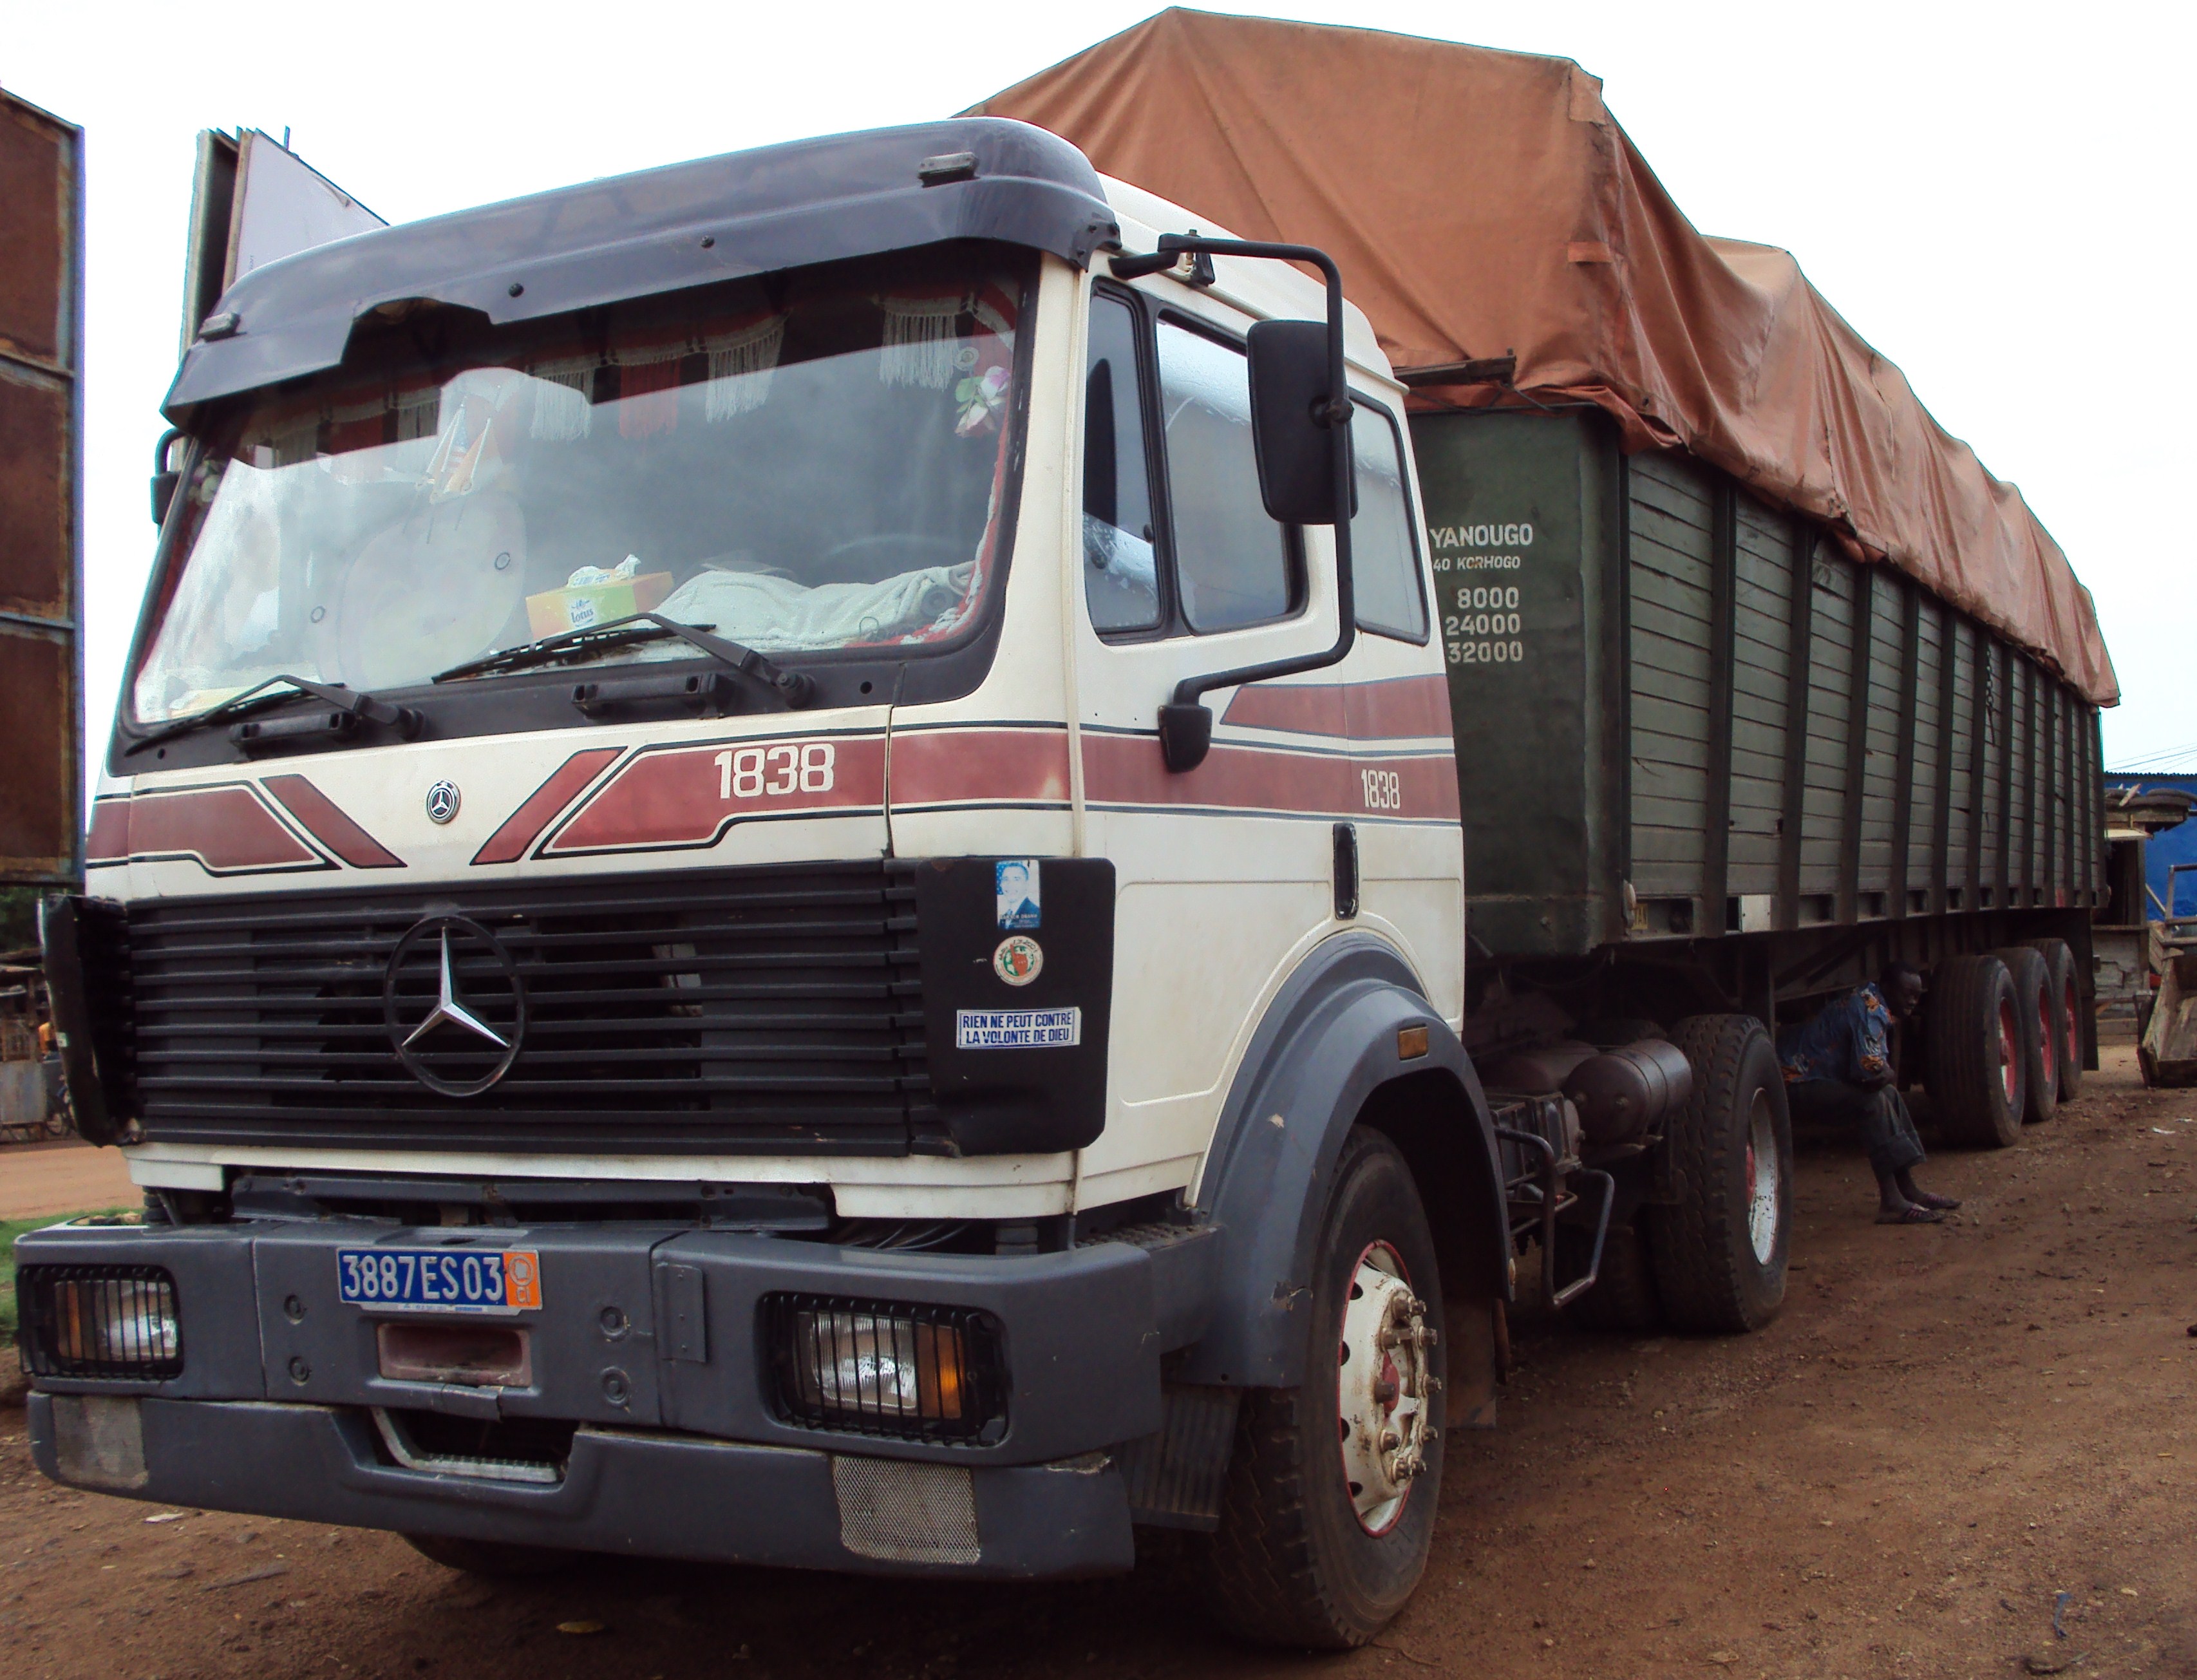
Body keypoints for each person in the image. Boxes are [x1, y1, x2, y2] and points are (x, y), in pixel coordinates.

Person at [1778, 962, 1961, 1225]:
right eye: (1906, 993)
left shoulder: (1872, 1000)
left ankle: (1908, 1189)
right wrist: (1886, 1074)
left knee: (1890, 1095)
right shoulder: (1870, 1009)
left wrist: (1885, 1075)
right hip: (1793, 1082)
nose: (1912, 1001)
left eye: (1917, 995)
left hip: (1808, 1078)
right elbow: (1869, 1072)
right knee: (1872, 1103)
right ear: (1886, 988)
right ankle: (1891, 1201)